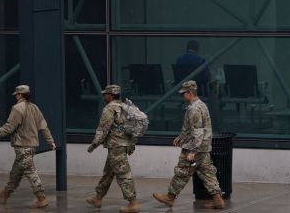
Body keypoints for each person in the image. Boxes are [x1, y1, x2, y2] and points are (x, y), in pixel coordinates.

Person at [153, 80, 225, 209]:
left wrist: (193, 151)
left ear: (190, 93)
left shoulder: (194, 109)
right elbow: (193, 128)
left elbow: (197, 132)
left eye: (183, 94)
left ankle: (170, 198)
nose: (182, 96)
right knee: (207, 172)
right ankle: (217, 199)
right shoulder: (201, 105)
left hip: (194, 148)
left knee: (182, 172)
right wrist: (181, 137)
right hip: (203, 147)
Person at [0, 85, 56, 209]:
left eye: (16, 94)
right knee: (15, 173)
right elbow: (43, 127)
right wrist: (51, 141)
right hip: (31, 147)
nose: (15, 97)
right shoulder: (35, 108)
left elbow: (9, 126)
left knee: (31, 172)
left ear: (20, 95)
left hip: (23, 147)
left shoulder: (17, 108)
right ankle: (4, 195)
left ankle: (42, 199)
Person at [86, 85, 139, 213]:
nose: (104, 96)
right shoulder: (125, 107)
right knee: (108, 173)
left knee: (123, 174)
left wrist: (94, 144)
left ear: (110, 95)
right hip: (122, 145)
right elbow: (134, 128)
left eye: (105, 94)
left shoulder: (109, 109)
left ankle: (133, 203)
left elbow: (103, 129)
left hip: (116, 146)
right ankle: (98, 198)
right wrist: (132, 144)